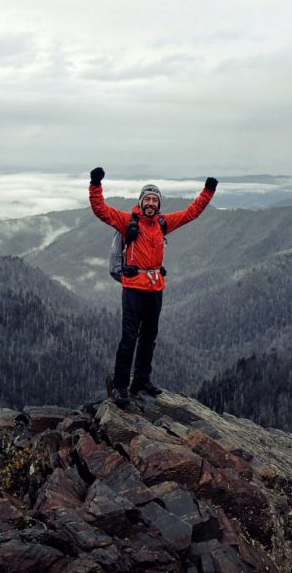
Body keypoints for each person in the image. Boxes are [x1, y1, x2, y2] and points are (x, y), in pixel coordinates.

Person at [88, 166, 218, 407]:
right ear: (141, 201)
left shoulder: (162, 223)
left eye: (154, 200)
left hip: (155, 288)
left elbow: (191, 213)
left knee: (149, 337)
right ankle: (120, 387)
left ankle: (141, 380)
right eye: (147, 199)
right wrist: (95, 184)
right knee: (128, 338)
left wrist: (207, 192)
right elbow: (101, 210)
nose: (150, 203)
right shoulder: (128, 220)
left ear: (159, 204)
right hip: (133, 289)